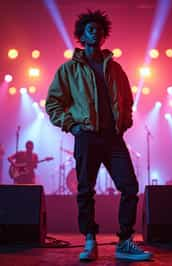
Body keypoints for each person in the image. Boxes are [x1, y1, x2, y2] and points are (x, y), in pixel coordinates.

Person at [45, 10, 152, 261]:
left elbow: (127, 100)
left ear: (104, 36)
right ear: (82, 36)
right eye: (90, 29)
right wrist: (72, 126)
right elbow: (53, 104)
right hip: (87, 136)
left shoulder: (115, 69)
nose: (96, 32)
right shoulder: (68, 70)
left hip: (113, 138)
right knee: (85, 190)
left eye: (100, 29)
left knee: (129, 187)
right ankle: (90, 241)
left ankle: (125, 241)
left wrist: (124, 121)